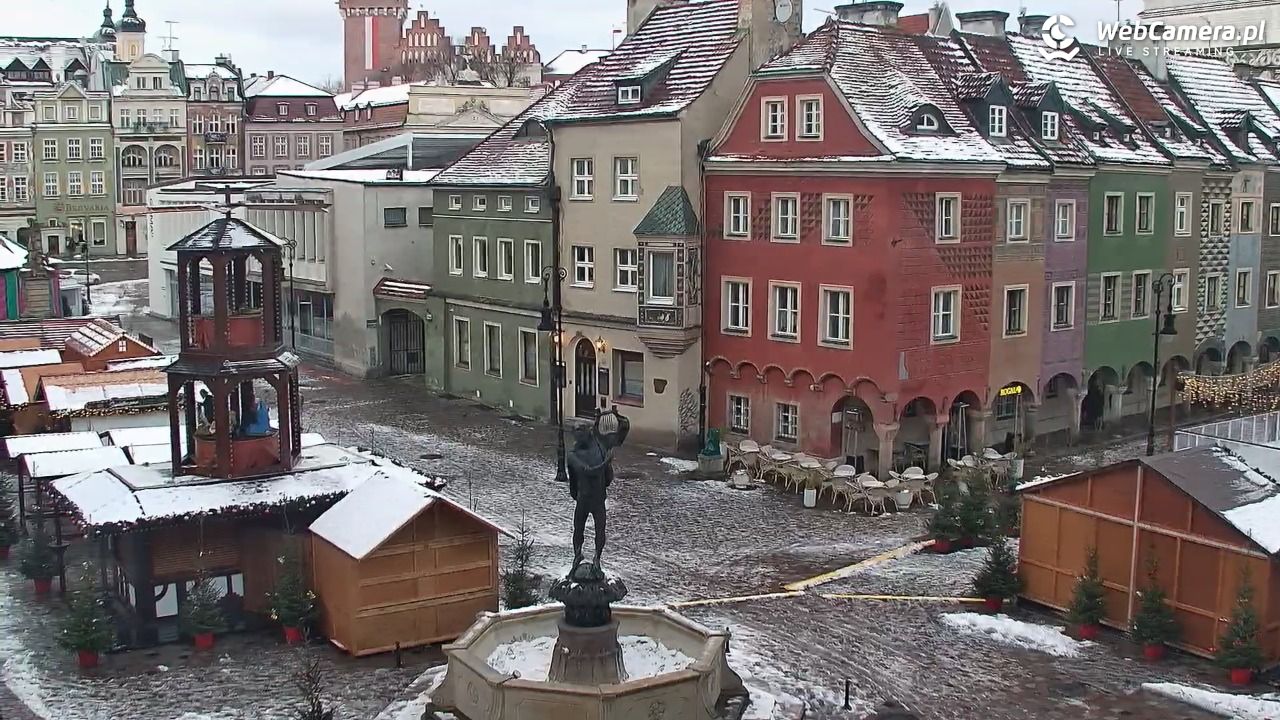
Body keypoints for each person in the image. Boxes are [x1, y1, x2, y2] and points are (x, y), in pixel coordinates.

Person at [566, 408, 630, 570]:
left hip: (596, 498)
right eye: (577, 434)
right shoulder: (573, 455)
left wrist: (611, 415)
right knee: (578, 529)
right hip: (584, 498)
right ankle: (577, 555)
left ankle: (597, 558)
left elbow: (622, 427)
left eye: (582, 433)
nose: (579, 437)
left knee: (600, 531)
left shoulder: (598, 445)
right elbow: (588, 471)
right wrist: (606, 462)